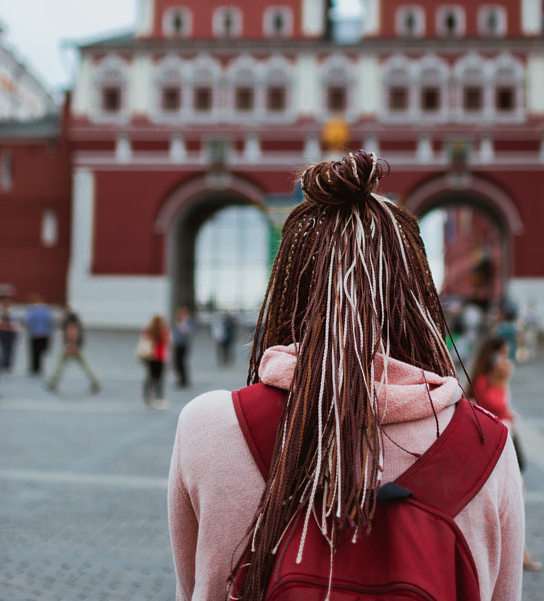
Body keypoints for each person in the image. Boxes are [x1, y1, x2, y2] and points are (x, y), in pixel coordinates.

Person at [169, 151, 525, 601]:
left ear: (288, 284)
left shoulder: (210, 424)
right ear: (414, 289)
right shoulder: (486, 444)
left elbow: (191, 589)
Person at [467, 333, 542, 573]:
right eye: (501, 353)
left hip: (509, 441)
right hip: (494, 446)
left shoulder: (498, 379)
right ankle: (515, 553)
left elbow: (505, 407)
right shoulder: (481, 382)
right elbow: (488, 411)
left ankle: (520, 552)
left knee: (515, 497)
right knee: (509, 499)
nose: (504, 358)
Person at [47, 305, 101, 393]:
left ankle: (53, 382)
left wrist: (71, 345)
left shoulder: (70, 320)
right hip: (75, 346)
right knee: (84, 365)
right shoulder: (76, 320)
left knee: (61, 365)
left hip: (71, 346)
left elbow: (72, 333)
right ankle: (94, 381)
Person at [140, 314, 170, 409]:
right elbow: (168, 341)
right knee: (159, 379)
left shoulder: (149, 329)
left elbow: (144, 339)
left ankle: (147, 397)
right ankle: (158, 398)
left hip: (151, 357)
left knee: (150, 378)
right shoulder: (162, 330)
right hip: (159, 357)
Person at [23, 294, 54, 375]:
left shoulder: (32, 310)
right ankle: (40, 367)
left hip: (34, 334)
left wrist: (29, 329)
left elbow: (27, 321)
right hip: (44, 333)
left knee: (34, 352)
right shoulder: (45, 310)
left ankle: (34, 367)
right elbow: (50, 321)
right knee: (41, 351)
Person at [171, 307, 194, 388]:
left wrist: (183, 324)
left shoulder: (188, 322)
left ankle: (184, 380)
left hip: (184, 345)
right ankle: (179, 379)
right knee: (176, 363)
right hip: (177, 344)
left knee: (182, 363)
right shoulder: (177, 322)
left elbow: (189, 332)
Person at [0, 296, 20, 371]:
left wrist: (16, 330)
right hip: (2, 331)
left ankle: (7, 364)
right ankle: (2, 363)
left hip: (10, 331)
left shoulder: (13, 311)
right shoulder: (1, 310)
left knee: (9, 348)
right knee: (3, 348)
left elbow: (16, 322)